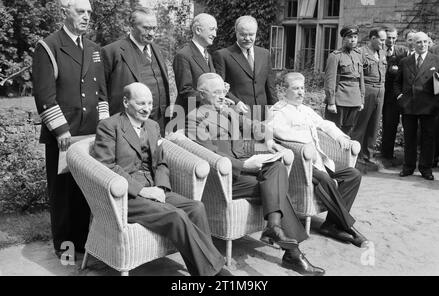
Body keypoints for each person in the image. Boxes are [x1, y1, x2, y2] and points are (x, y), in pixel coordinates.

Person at [187, 73, 325, 276]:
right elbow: (209, 156)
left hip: (245, 172)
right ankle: (292, 253)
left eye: (222, 91)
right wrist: (244, 164)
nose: (222, 96)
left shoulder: (228, 112)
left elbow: (256, 127)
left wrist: (268, 140)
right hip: (224, 179)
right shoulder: (195, 119)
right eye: (216, 92)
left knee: (276, 167)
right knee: (276, 190)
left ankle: (275, 227)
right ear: (201, 94)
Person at [92, 83, 231, 276]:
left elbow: (161, 163)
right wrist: (142, 191)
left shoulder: (152, 125)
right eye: (141, 103)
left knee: (196, 208)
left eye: (150, 103)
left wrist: (161, 188)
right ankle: (215, 274)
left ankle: (202, 272)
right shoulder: (109, 126)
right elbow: (106, 166)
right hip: (126, 196)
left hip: (154, 188)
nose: (147, 108)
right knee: (176, 216)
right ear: (126, 102)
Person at [32, 0, 109, 258]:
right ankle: (65, 252)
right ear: (64, 12)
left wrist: (104, 128)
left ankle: (84, 243)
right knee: (63, 194)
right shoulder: (48, 46)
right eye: (81, 11)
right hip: (64, 135)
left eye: (89, 12)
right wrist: (61, 129)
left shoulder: (94, 49)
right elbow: (44, 94)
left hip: (90, 133)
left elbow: (101, 93)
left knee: (86, 193)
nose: (86, 17)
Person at [266, 72, 369, 248]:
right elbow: (278, 133)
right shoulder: (278, 111)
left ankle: (330, 224)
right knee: (325, 180)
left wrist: (341, 137)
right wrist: (306, 143)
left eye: (302, 88)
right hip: (301, 165)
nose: (300, 93)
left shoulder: (305, 110)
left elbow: (325, 124)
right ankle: (349, 227)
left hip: (319, 162)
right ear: (284, 90)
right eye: (295, 88)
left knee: (353, 174)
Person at [102, 7, 170, 135]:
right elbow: (101, 92)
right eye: (146, 28)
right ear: (131, 26)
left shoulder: (157, 50)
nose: (151, 33)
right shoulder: (112, 52)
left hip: (158, 124)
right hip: (128, 125)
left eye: (154, 28)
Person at [212, 15, 277, 121]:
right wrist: (235, 102)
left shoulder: (264, 54)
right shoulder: (223, 55)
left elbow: (270, 87)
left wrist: (276, 109)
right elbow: (220, 88)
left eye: (251, 34)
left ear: (256, 33)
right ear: (236, 32)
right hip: (237, 114)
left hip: (263, 114)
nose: (247, 38)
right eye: (243, 35)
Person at [394, 31, 439, 180]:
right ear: (413, 43)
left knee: (428, 137)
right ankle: (408, 167)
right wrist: (400, 96)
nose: (422, 45)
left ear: (429, 43)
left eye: (425, 42)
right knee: (410, 137)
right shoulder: (405, 61)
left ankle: (426, 169)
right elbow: (397, 82)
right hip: (409, 104)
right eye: (419, 42)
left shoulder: (436, 60)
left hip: (429, 105)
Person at [351, 28, 387, 165]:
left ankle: (368, 155)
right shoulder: (360, 52)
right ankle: (356, 156)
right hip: (367, 90)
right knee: (361, 124)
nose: (384, 43)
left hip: (380, 90)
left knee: (374, 124)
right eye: (381, 40)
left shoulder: (382, 52)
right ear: (372, 38)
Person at [324, 25, 364, 135]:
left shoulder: (358, 55)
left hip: (355, 100)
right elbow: (330, 80)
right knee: (334, 132)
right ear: (344, 39)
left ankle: (345, 152)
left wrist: (361, 99)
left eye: (355, 37)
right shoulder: (335, 56)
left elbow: (361, 79)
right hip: (339, 100)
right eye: (350, 37)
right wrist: (331, 102)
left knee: (348, 132)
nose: (353, 40)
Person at [173, 13, 217, 114]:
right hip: (188, 116)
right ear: (198, 30)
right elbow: (185, 92)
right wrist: (212, 98)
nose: (215, 34)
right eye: (212, 29)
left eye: (216, 30)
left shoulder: (207, 55)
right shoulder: (183, 55)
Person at [380, 26, 409, 162]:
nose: (390, 40)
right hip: (379, 90)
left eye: (393, 38)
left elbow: (406, 72)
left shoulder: (402, 51)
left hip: (393, 93)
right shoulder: (378, 50)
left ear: (396, 38)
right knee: (373, 123)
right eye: (388, 38)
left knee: (390, 122)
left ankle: (387, 154)